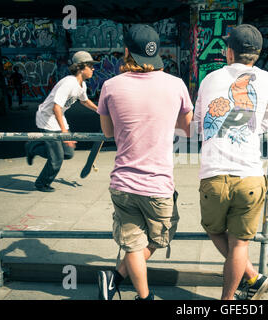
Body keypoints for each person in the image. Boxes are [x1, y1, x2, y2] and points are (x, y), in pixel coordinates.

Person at [96, 24, 193, 301]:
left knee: (133, 244)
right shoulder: (176, 85)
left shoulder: (110, 86)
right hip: (158, 185)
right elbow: (188, 130)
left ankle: (115, 278)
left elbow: (107, 133)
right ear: (157, 53)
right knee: (162, 237)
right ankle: (143, 295)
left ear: (127, 52)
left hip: (123, 184)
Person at [193, 24, 268, 300]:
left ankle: (251, 278)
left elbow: (197, 125)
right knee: (239, 244)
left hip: (214, 174)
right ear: (258, 54)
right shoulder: (265, 79)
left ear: (229, 52)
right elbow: (267, 121)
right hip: (250, 175)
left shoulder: (209, 79)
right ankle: (233, 296)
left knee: (212, 229)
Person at [25, 51, 99, 192]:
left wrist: (100, 110)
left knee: (68, 153)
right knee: (56, 159)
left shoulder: (81, 85)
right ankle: (41, 183)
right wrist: (64, 132)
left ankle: (33, 147)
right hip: (47, 118)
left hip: (57, 118)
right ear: (81, 67)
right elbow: (56, 107)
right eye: (90, 66)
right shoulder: (68, 83)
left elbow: (84, 101)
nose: (93, 69)